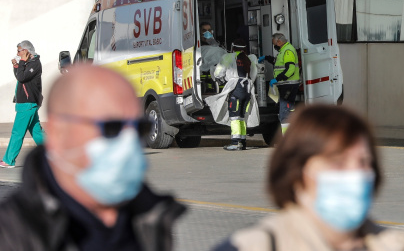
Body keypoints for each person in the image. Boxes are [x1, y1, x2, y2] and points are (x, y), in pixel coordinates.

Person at [0, 65, 186, 250]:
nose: (128, 143)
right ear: (59, 134)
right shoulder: (12, 235)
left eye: (139, 128)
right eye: (111, 128)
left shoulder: (151, 217)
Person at [213, 104, 404, 251]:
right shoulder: (250, 246)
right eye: (337, 163)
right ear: (297, 173)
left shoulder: (394, 244)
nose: (355, 174)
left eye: (364, 162)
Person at [205, 39, 259, 151]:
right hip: (247, 89)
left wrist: (219, 77)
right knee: (242, 116)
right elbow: (253, 75)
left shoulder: (228, 57)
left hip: (236, 89)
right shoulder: (250, 58)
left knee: (234, 116)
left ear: (233, 48)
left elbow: (218, 73)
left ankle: (235, 143)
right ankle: (242, 142)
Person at [0, 40, 45, 168]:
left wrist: (21, 62)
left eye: (19, 50)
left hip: (27, 104)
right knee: (37, 132)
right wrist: (16, 66)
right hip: (26, 104)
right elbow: (20, 78)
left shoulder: (35, 63)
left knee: (17, 133)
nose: (17, 53)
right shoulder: (27, 63)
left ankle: (9, 160)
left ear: (26, 51)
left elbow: (22, 78)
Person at [260, 33, 300, 134]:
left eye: (274, 43)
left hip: (288, 85)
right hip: (286, 85)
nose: (274, 45)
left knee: (284, 113)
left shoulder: (287, 51)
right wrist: (266, 57)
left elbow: (290, 69)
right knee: (286, 112)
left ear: (279, 41)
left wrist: (277, 79)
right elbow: (277, 62)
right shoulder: (283, 50)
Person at [200, 22, 228, 93]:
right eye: (204, 30)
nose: (207, 32)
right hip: (210, 65)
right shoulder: (199, 48)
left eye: (209, 30)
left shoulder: (217, 46)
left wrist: (211, 41)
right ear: (199, 33)